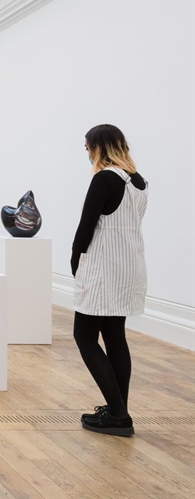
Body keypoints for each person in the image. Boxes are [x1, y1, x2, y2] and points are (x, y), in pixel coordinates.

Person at [71, 124, 147, 436]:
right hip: (129, 267)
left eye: (87, 147)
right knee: (115, 336)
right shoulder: (138, 181)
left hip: (103, 268)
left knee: (84, 336)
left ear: (99, 147)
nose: (87, 153)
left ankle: (118, 414)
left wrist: (75, 259)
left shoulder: (104, 178)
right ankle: (119, 410)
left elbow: (86, 226)